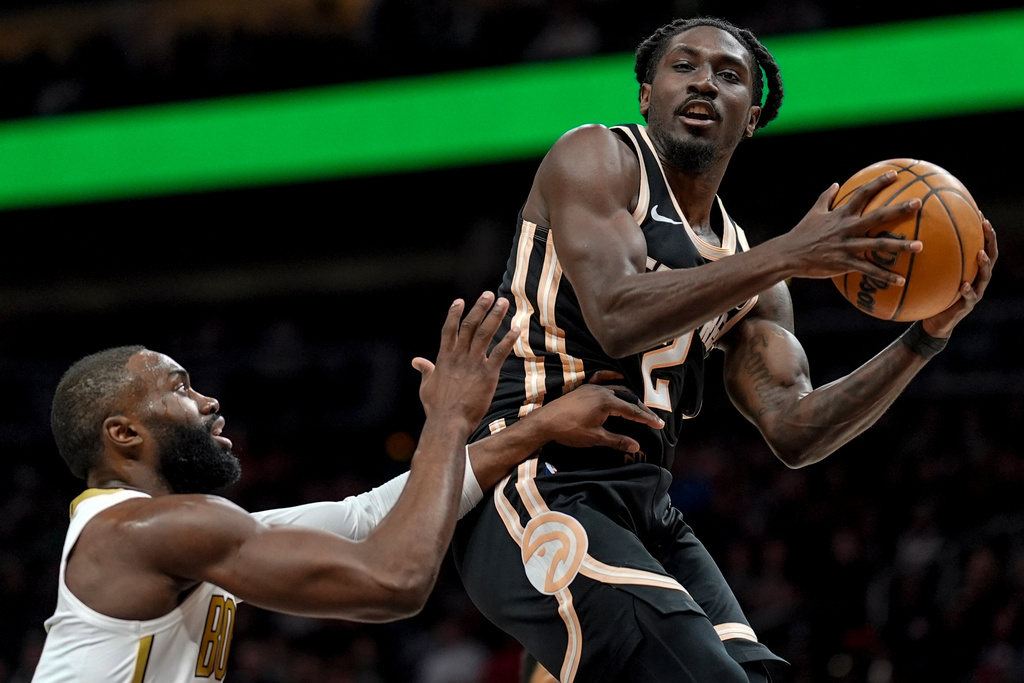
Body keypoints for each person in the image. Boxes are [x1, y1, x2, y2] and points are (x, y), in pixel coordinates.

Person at [451, 15, 998, 683]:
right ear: (648, 95)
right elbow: (618, 314)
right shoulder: (598, 158)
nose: (704, 80)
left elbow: (795, 429)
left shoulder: (751, 271)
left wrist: (924, 338)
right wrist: (788, 254)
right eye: (684, 66)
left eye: (729, 74)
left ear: (752, 117)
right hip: (532, 480)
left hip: (645, 510)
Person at [31, 292, 664, 683]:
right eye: (180, 388)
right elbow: (394, 582)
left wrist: (538, 427)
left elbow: (363, 518)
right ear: (124, 433)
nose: (209, 400)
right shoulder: (149, 530)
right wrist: (445, 419)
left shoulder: (163, 532)